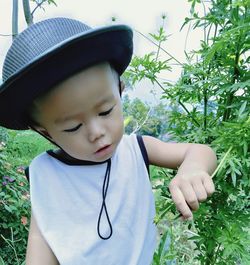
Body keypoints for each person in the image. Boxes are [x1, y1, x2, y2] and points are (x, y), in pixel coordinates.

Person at [0, 17, 217, 265]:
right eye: (73, 127)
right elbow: (42, 236)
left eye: (105, 111)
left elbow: (200, 151)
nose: (96, 132)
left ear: (120, 90)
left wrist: (193, 168)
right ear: (46, 132)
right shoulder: (45, 174)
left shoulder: (136, 150)